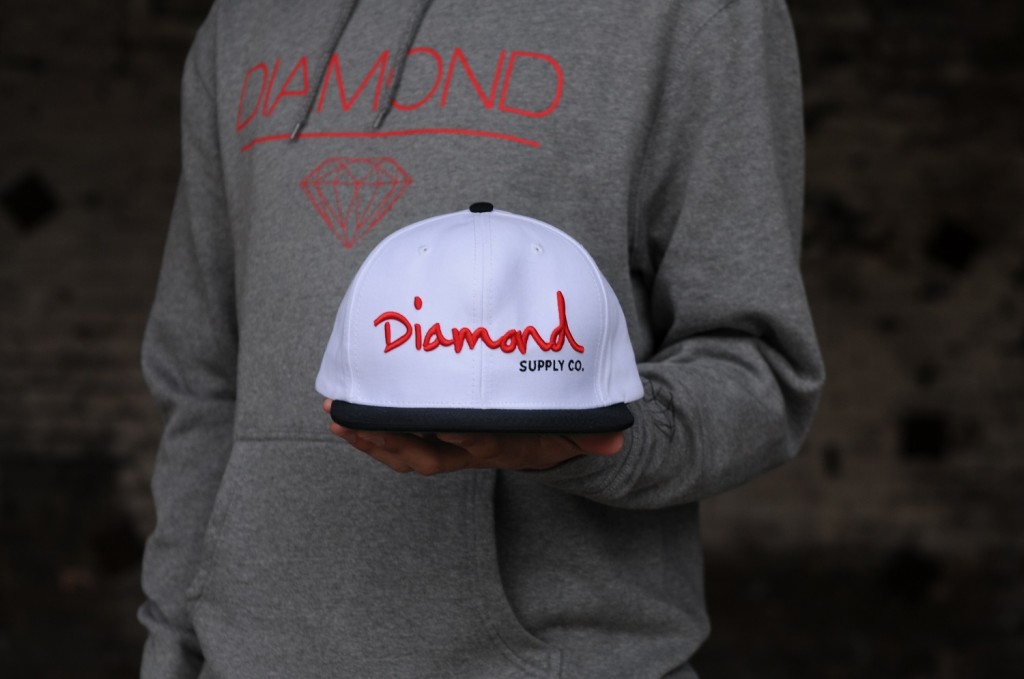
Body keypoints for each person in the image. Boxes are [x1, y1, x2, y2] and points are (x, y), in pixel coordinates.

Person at [138, 0, 825, 677]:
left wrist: (592, 432)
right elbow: (199, 380)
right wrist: (170, 653)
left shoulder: (693, 14)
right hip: (247, 657)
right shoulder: (243, 20)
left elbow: (762, 367)